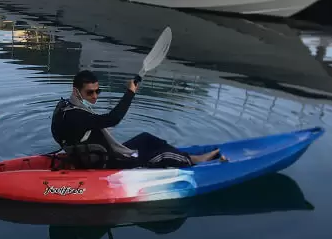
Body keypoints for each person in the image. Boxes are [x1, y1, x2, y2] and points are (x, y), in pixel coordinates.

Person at [51, 70, 226, 169]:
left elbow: (62, 134)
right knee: (161, 155)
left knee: (146, 138)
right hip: (108, 162)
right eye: (90, 92)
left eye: (98, 91)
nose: (95, 96)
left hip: (96, 154)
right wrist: (130, 92)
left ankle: (183, 156)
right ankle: (194, 161)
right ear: (76, 91)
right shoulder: (77, 116)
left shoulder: (65, 107)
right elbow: (113, 119)